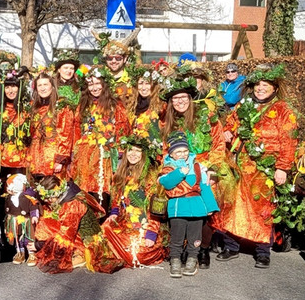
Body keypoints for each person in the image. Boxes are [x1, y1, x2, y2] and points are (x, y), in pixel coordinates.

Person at [214, 64, 298, 268]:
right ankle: (231, 245)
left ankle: (262, 250)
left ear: (275, 88)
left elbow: (289, 141)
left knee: (263, 208)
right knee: (233, 204)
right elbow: (231, 124)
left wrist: (283, 167)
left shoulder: (283, 110)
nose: (260, 88)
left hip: (265, 168)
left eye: (266, 84)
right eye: (258, 84)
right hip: (239, 164)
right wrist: (227, 132)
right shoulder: (244, 105)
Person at [160, 74, 227, 269]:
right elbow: (165, 149)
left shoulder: (205, 116)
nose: (179, 102)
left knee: (204, 206)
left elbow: (219, 143)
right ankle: (178, 248)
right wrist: (169, 167)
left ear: (190, 98)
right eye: (175, 98)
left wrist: (212, 169)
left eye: (183, 97)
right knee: (176, 203)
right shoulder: (168, 121)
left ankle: (202, 248)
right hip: (177, 166)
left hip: (203, 167)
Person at [89, 135, 166, 272]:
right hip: (124, 222)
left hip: (145, 224)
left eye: (138, 151)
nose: (133, 154)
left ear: (144, 154)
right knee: (103, 235)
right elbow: (116, 200)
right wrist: (113, 213)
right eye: (130, 150)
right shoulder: (121, 173)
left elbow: (156, 207)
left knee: (136, 255)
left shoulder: (150, 175)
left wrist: (151, 233)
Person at [159, 133, 220, 278]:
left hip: (197, 207)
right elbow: (166, 183)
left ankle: (192, 260)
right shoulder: (168, 167)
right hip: (178, 208)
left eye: (185, 151)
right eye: (178, 151)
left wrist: (210, 206)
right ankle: (175, 261)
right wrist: (180, 173)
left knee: (195, 237)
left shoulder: (197, 167)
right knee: (177, 237)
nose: (182, 154)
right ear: (172, 154)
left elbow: (204, 187)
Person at [70, 67, 131, 210]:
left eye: (98, 83)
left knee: (102, 191)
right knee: (84, 191)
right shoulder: (83, 105)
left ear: (104, 85)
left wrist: (121, 154)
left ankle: (102, 224)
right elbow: (77, 129)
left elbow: (122, 130)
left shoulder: (115, 105)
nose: (94, 88)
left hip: (106, 156)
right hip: (85, 156)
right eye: (91, 84)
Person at [0, 67, 30, 188]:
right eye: (7, 87)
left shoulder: (28, 106)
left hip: (21, 158)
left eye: (14, 86)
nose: (10, 90)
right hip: (1, 157)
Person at [26, 70, 75, 181]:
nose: (42, 88)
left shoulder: (62, 106)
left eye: (45, 84)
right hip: (35, 158)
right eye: (39, 85)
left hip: (52, 158)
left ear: (52, 86)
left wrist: (60, 160)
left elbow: (65, 134)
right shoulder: (34, 107)